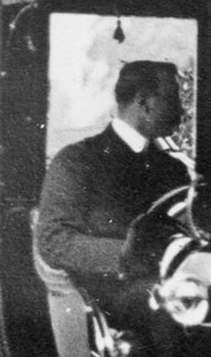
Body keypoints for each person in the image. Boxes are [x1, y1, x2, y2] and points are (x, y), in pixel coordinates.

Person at [37, 59, 191, 327]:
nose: (182, 110)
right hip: (105, 299)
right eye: (174, 99)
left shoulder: (173, 169)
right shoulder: (76, 161)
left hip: (173, 287)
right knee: (173, 308)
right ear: (144, 102)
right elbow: (54, 241)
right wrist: (127, 254)